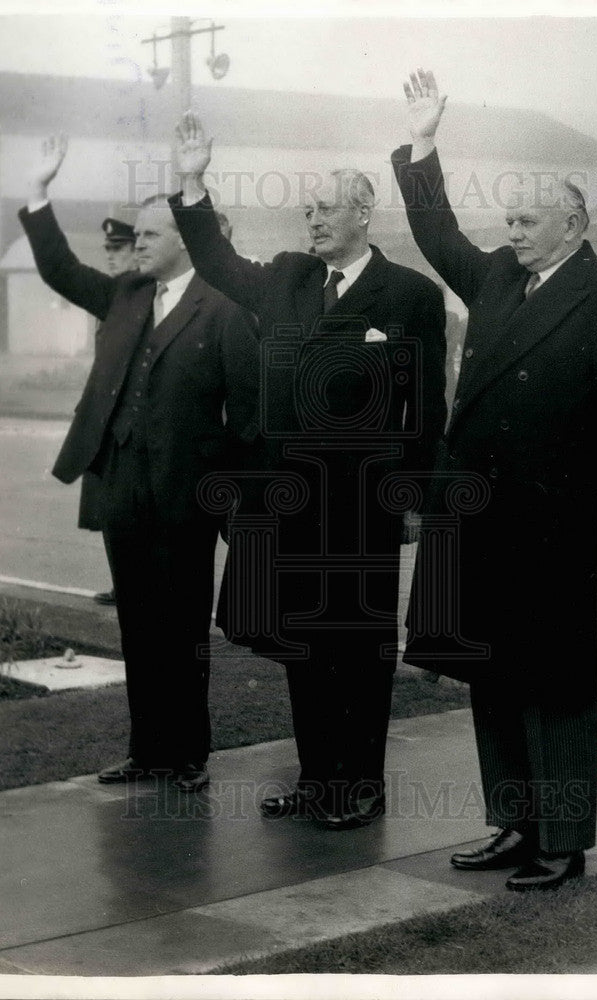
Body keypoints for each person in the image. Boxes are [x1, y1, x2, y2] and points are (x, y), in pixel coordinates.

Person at [393, 70, 597, 889]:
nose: (510, 231)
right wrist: (423, 146)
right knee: (491, 673)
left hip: (549, 524)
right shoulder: (499, 279)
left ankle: (562, 838)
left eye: (525, 220)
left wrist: (571, 490)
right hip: (476, 518)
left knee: (553, 684)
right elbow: (438, 236)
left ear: (572, 225)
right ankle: (513, 824)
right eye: (508, 219)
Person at [169, 110, 448, 829]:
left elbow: (426, 407)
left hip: (360, 507)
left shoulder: (411, 295)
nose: (312, 219)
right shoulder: (289, 278)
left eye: (324, 209)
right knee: (303, 647)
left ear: (362, 212)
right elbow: (217, 263)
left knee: (357, 649)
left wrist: (414, 497)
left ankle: (360, 783)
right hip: (289, 504)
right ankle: (318, 777)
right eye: (306, 210)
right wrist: (193, 182)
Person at [19, 134, 259, 792]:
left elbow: (248, 415)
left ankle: (187, 756)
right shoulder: (125, 293)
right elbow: (61, 271)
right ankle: (147, 750)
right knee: (138, 624)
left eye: (151, 232)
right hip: (120, 486)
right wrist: (39, 195)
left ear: (184, 237)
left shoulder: (226, 307)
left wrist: (231, 498)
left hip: (186, 494)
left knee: (183, 630)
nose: (137, 240)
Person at [80, 217, 137, 607]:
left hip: (133, 420)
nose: (111, 255)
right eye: (109, 249)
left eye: (119, 249)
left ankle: (136, 587)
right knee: (109, 510)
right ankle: (123, 586)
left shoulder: (150, 296)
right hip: (106, 420)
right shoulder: (112, 297)